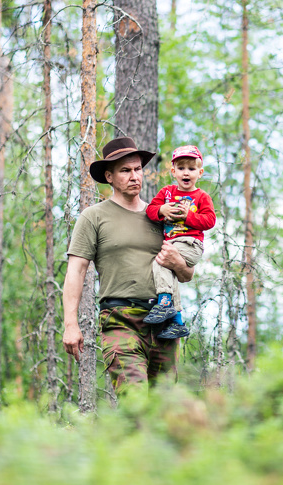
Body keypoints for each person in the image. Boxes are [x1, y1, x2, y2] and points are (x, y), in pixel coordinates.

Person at [62, 137, 195, 393]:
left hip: (164, 321)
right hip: (120, 319)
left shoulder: (161, 217)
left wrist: (179, 262)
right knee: (134, 401)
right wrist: (71, 324)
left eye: (137, 169)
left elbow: (186, 274)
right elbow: (76, 271)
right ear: (109, 177)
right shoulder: (94, 216)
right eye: (125, 171)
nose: (134, 176)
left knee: (164, 409)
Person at [143, 145, 216, 339]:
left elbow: (209, 221)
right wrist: (162, 211)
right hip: (173, 244)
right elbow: (150, 210)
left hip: (190, 243)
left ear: (200, 173)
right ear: (173, 171)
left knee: (160, 263)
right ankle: (177, 322)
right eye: (181, 168)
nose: (186, 172)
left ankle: (165, 301)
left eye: (191, 169)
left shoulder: (201, 197)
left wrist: (188, 217)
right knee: (167, 271)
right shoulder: (166, 193)